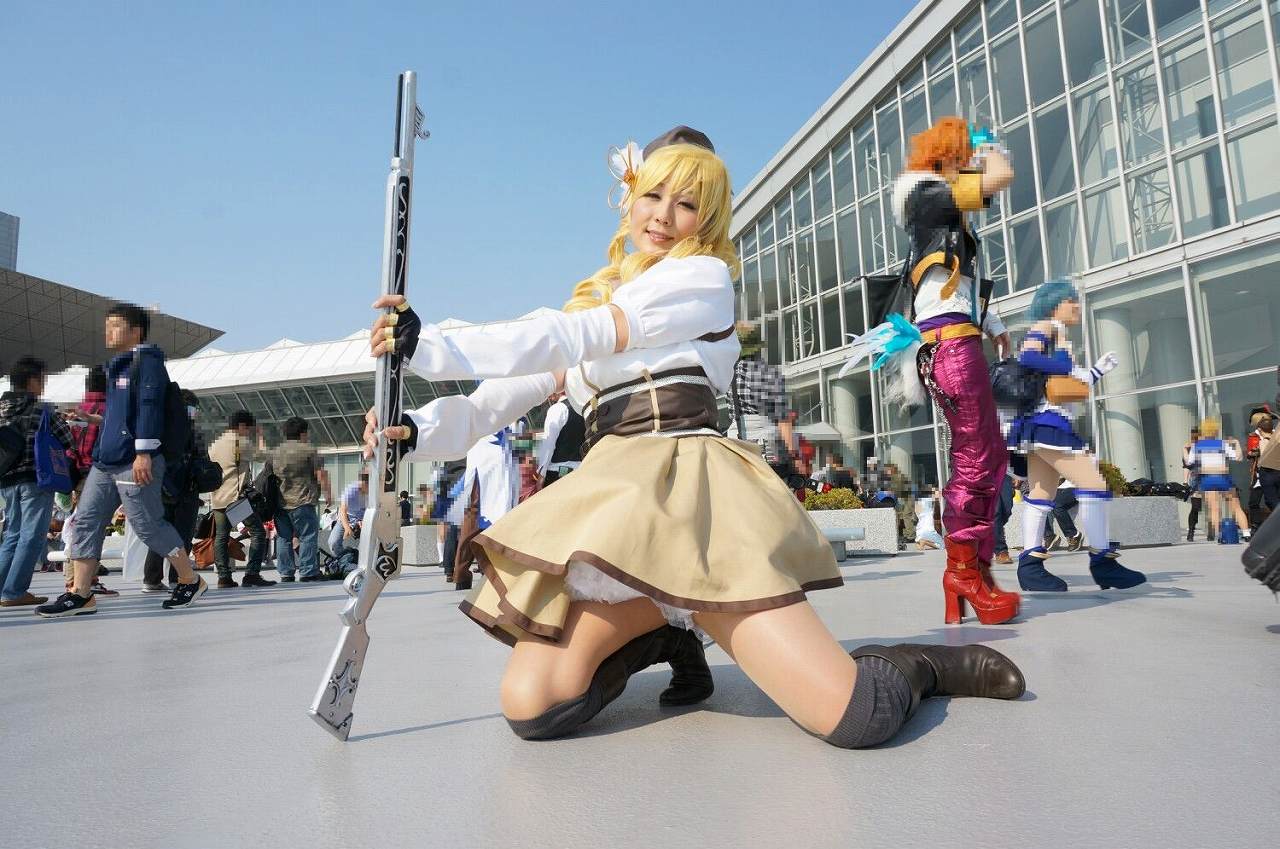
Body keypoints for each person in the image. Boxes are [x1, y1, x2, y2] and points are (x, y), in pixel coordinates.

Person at [364, 127, 1024, 748]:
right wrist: (411, 433)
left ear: (706, 219)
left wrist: (432, 345)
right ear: (630, 197)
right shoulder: (596, 300)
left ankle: (920, 664)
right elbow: (495, 401)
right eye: (652, 194)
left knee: (856, 716)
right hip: (618, 502)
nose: (663, 215)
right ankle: (667, 631)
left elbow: (582, 334)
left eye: (687, 204)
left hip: (694, 499)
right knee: (531, 703)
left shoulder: (701, 281)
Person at [889, 117, 1019, 624]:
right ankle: (963, 573)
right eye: (963, 157)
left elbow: (955, 285)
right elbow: (1001, 175)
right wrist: (988, 145)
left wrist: (994, 324)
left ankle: (975, 570)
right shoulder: (927, 196)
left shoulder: (938, 212)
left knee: (989, 456)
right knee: (976, 457)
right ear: (948, 158)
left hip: (955, 337)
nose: (970, 166)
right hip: (949, 345)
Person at [38, 303, 207, 616]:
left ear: (136, 331)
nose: (108, 332)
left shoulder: (148, 362)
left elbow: (149, 408)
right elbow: (122, 417)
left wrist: (144, 452)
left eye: (115, 326)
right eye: (107, 326)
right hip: (106, 461)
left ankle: (190, 579)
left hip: (134, 460)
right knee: (86, 520)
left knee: (147, 524)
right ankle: (81, 593)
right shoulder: (118, 366)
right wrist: (93, 419)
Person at [1005, 280, 1146, 592]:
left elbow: (1070, 385)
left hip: (1041, 422)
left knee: (1041, 495)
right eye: (1072, 301)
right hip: (1047, 421)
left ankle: (1030, 569)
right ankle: (1103, 563)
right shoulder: (1048, 326)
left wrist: (1096, 371)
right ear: (1056, 304)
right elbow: (1028, 357)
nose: (1077, 307)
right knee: (1093, 483)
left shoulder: (1058, 333)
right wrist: (1064, 364)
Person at [0, 357, 75, 607]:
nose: (43, 385)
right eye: (42, 379)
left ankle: (4, 588)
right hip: (36, 478)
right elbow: (67, 439)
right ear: (32, 381)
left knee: (12, 534)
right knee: (32, 536)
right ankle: (14, 592)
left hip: (6, 479)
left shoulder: (1, 409)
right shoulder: (41, 409)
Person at [141, 389, 207, 592]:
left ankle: (151, 578)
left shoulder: (160, 429)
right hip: (186, 489)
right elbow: (201, 460)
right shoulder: (193, 432)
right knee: (183, 535)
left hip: (162, 490)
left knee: (160, 534)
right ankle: (178, 578)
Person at [207, 410, 274, 588]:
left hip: (218, 498)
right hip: (236, 499)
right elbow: (263, 456)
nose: (249, 433)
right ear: (242, 426)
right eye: (249, 429)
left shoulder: (215, 444)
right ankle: (252, 574)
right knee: (258, 533)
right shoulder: (240, 442)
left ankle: (224, 577)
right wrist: (260, 437)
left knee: (221, 537)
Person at [726, 321, 793, 478]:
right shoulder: (769, 373)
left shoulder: (728, 374)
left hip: (736, 440)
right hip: (767, 442)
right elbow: (782, 419)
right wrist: (793, 455)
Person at [271, 416, 331, 582]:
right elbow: (320, 474)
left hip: (280, 503)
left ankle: (286, 573)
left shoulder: (276, 452)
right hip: (303, 501)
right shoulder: (309, 450)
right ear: (303, 433)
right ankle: (307, 571)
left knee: (283, 538)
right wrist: (328, 493)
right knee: (307, 536)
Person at [1186, 419, 1249, 544]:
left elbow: (1189, 462)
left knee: (1214, 509)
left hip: (1207, 479)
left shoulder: (1196, 446)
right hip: (1224, 478)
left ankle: (1220, 535)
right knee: (1236, 508)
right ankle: (1246, 533)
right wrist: (1236, 442)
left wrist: (1184, 450)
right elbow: (1238, 457)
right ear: (1215, 431)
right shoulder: (1223, 444)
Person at [535, 391, 585, 486]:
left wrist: (541, 474)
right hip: (578, 471)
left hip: (557, 472)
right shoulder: (583, 408)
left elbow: (549, 443)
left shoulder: (557, 409)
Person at [328, 471, 370, 576]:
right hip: (346, 518)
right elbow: (342, 510)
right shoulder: (351, 490)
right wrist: (347, 528)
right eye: (364, 485)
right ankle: (344, 562)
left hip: (364, 520)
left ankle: (361, 564)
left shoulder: (375, 492)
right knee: (333, 542)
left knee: (367, 542)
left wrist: (365, 521)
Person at [1042, 480, 1083, 552]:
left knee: (1056, 505)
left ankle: (1073, 535)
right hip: (1061, 487)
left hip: (1078, 487)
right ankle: (1049, 536)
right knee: (1041, 503)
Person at [1185, 426, 1207, 542]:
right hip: (1197, 479)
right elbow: (1187, 465)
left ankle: (1210, 532)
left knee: (1209, 506)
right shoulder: (1192, 447)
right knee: (1196, 507)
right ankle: (1191, 531)